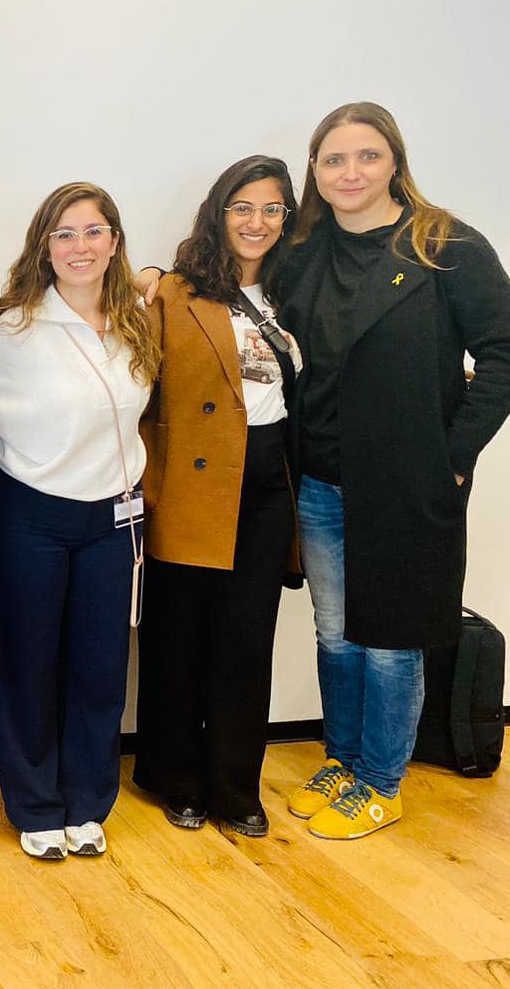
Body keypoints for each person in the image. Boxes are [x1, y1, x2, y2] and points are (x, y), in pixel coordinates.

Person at [277, 101, 510, 839]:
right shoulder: (302, 250)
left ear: (394, 162)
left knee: (391, 638)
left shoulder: (446, 246)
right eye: (334, 159)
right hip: (320, 479)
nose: (350, 172)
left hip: (407, 482)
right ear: (316, 171)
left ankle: (381, 781)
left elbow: (503, 352)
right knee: (336, 633)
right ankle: (342, 761)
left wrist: (455, 454)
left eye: (367, 156)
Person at [0, 182, 158, 860]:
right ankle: (35, 805)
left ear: (114, 241)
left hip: (114, 519)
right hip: (32, 513)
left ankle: (87, 802)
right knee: (28, 664)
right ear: (44, 247)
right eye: (64, 233)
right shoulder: (12, 327)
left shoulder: (137, 319)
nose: (79, 246)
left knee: (100, 667)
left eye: (93, 231)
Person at [132, 156, 302, 838]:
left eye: (271, 209)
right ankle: (174, 776)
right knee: (178, 637)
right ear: (218, 213)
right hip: (191, 480)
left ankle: (235, 784)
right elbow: (141, 395)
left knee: (246, 639)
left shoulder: (297, 291)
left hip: (268, 480)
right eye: (242, 207)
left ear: (287, 219)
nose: (256, 222)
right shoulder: (175, 291)